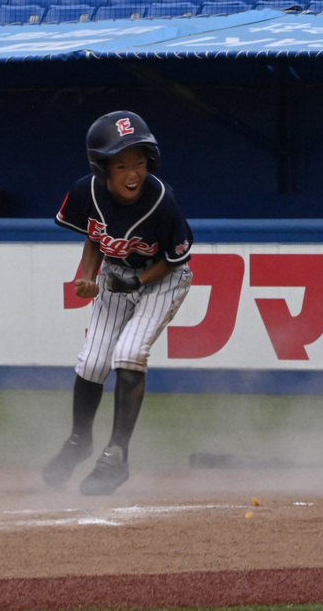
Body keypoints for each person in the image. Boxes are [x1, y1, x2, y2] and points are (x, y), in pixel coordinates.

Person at [42, 110, 193, 495]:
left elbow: (176, 259)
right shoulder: (85, 192)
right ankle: (80, 440)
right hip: (115, 274)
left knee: (128, 352)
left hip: (162, 279)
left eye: (140, 162)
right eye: (122, 164)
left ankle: (116, 455)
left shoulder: (162, 201)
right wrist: (88, 276)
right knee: (92, 361)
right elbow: (94, 235)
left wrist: (139, 279)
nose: (133, 173)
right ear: (101, 168)